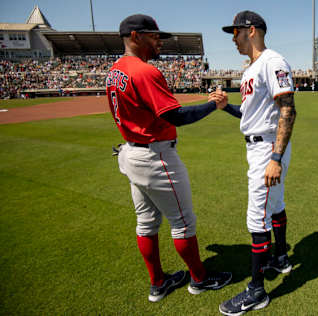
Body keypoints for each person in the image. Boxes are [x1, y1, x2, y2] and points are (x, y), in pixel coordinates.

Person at [106, 14, 232, 303]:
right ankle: (200, 279)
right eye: (154, 35)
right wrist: (212, 106)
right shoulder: (144, 71)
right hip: (155, 155)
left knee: (146, 223)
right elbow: (175, 115)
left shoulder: (114, 70)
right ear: (135, 36)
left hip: (131, 152)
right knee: (183, 222)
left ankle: (158, 283)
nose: (159, 40)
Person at [216, 10, 297, 315]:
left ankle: (257, 290)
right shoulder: (251, 68)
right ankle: (282, 258)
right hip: (260, 145)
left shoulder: (272, 61)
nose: (233, 38)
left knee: (256, 218)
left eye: (235, 32)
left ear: (251, 31)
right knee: (275, 206)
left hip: (267, 150)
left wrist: (275, 158)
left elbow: (287, 110)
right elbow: (251, 116)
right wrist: (227, 108)